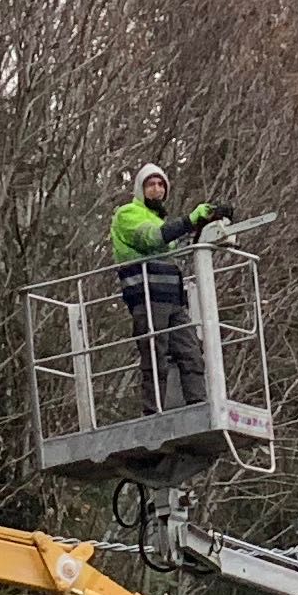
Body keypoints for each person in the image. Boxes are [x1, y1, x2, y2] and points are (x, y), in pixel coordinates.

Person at [108, 161, 225, 410]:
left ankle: (197, 403)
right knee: (155, 355)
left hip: (172, 300)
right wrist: (191, 219)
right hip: (147, 297)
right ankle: (154, 411)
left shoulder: (161, 221)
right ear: (140, 189)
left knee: (190, 352)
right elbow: (152, 238)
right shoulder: (128, 213)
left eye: (161, 184)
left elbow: (174, 244)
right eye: (151, 184)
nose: (157, 189)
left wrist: (202, 225)